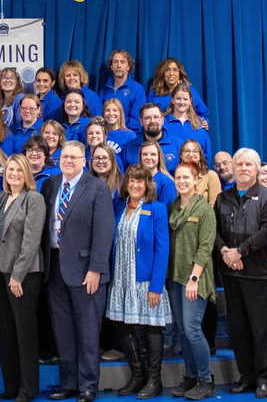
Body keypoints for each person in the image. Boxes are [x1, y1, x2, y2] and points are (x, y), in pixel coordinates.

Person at [41, 141, 114, 402]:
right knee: (63, 331)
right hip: (55, 268)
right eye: (64, 157)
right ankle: (69, 383)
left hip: (85, 272)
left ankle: (87, 386)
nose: (68, 161)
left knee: (87, 331)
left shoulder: (97, 187)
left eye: (74, 157)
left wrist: (96, 269)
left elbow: (104, 232)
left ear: (84, 161)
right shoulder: (50, 184)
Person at [214, 148, 267, 398]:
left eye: (248, 165)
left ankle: (265, 377)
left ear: (256, 168)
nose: (243, 168)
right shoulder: (223, 197)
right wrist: (225, 253)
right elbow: (216, 232)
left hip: (258, 274)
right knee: (239, 328)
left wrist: (239, 252)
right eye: (239, 164)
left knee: (261, 328)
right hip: (231, 273)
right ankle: (246, 375)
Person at [108, 165, 171, 399]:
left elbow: (163, 249)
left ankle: (155, 380)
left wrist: (156, 285)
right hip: (121, 278)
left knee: (152, 328)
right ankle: (138, 375)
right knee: (122, 326)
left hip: (145, 279)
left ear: (147, 185)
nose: (135, 185)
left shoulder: (157, 209)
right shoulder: (118, 207)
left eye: (140, 181)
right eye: (131, 181)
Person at [0, 154, 47, 402]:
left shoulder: (34, 199)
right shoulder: (2, 198)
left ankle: (28, 389)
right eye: (9, 169)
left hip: (24, 276)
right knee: (6, 332)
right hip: (1, 274)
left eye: (18, 170)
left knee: (25, 334)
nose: (13, 174)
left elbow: (31, 241)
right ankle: (11, 387)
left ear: (26, 174)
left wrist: (17, 275)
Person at [166, 163, 217, 401]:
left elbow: (205, 247)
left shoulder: (205, 209)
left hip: (194, 279)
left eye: (187, 177)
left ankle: (206, 380)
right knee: (183, 331)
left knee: (192, 328)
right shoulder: (172, 208)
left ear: (196, 180)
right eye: (178, 177)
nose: (182, 181)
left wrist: (194, 278)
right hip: (175, 278)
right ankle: (190, 375)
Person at [147, 58, 210, 127]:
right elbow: (147, 114)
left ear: (180, 73)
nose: (171, 73)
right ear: (162, 73)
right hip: (162, 132)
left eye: (175, 70)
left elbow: (203, 113)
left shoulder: (189, 90)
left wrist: (204, 122)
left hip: (186, 129)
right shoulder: (154, 93)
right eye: (167, 70)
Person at [98, 50, 147, 131]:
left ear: (128, 67)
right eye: (115, 62)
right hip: (106, 134)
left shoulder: (137, 89)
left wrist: (121, 132)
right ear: (111, 66)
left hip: (127, 135)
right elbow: (100, 114)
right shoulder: (104, 89)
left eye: (122, 62)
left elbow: (137, 119)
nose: (119, 65)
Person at [123, 104, 180, 173]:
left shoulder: (178, 145)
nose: (152, 121)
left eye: (156, 117)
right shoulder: (130, 147)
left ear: (162, 120)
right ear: (141, 121)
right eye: (147, 118)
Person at [163, 86, 212, 157]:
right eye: (178, 99)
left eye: (185, 99)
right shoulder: (163, 122)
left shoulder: (200, 123)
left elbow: (206, 152)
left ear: (190, 101)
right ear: (172, 100)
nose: (182, 102)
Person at [136, 141, 178, 207]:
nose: (149, 157)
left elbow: (167, 211)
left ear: (159, 157)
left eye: (153, 154)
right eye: (145, 154)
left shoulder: (166, 182)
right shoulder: (134, 179)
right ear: (140, 157)